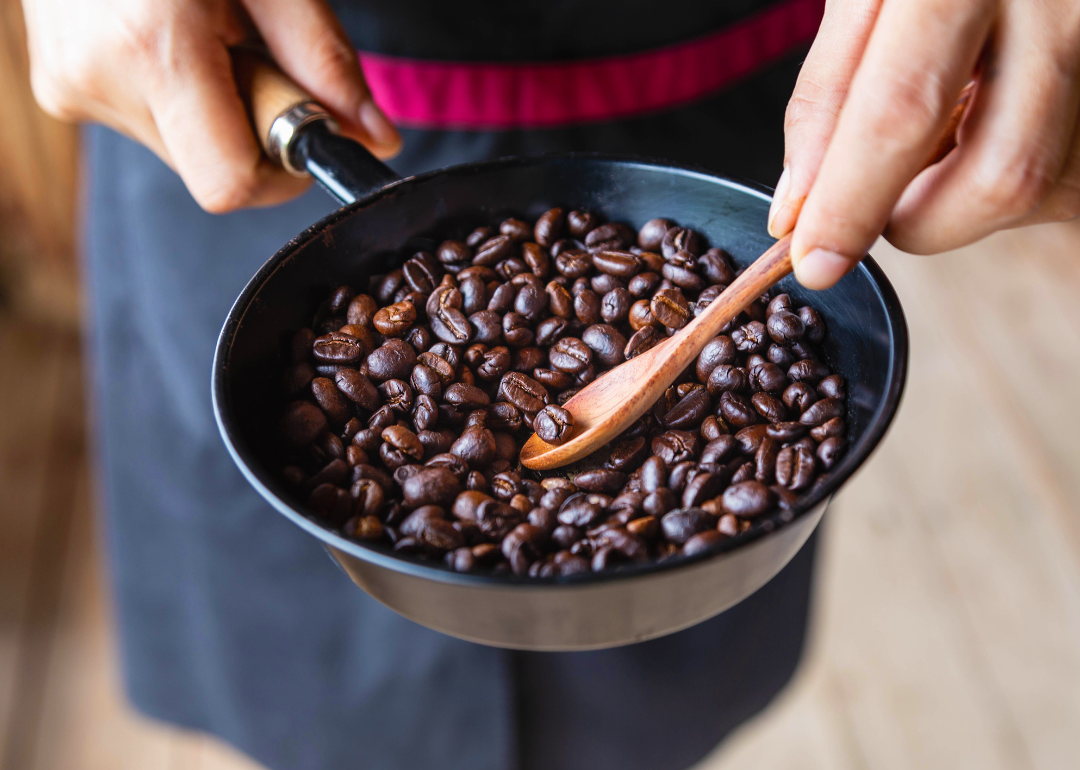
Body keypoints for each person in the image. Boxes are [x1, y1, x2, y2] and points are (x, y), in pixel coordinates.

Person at [20, 0, 1080, 768]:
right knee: (308, 694)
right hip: (265, 95)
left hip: (752, 108)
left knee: (662, 703)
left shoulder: (733, 391)